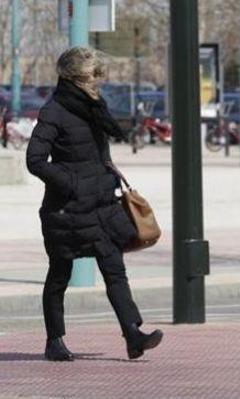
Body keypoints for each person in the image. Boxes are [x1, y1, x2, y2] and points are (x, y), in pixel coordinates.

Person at [26, 47, 162, 362]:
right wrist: (71, 183)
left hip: (101, 205)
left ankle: (133, 336)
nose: (98, 81)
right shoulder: (54, 111)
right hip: (67, 212)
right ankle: (54, 341)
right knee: (59, 274)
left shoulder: (92, 107)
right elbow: (34, 160)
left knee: (115, 270)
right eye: (93, 76)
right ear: (76, 78)